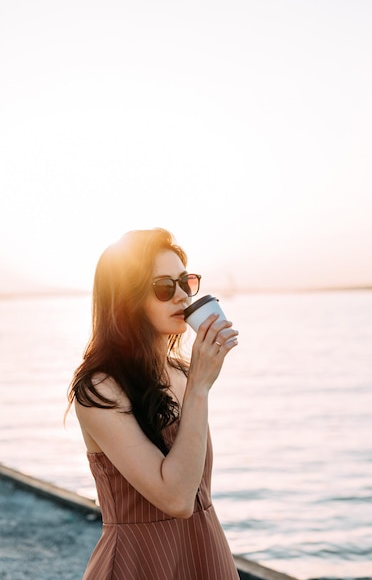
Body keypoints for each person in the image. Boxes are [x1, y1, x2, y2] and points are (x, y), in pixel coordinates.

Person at [67, 228, 240, 579]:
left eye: (185, 282)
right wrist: (200, 388)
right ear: (127, 300)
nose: (181, 296)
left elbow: (196, 493)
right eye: (164, 287)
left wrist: (197, 382)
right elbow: (176, 499)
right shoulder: (101, 390)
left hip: (204, 552)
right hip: (140, 564)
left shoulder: (182, 373)